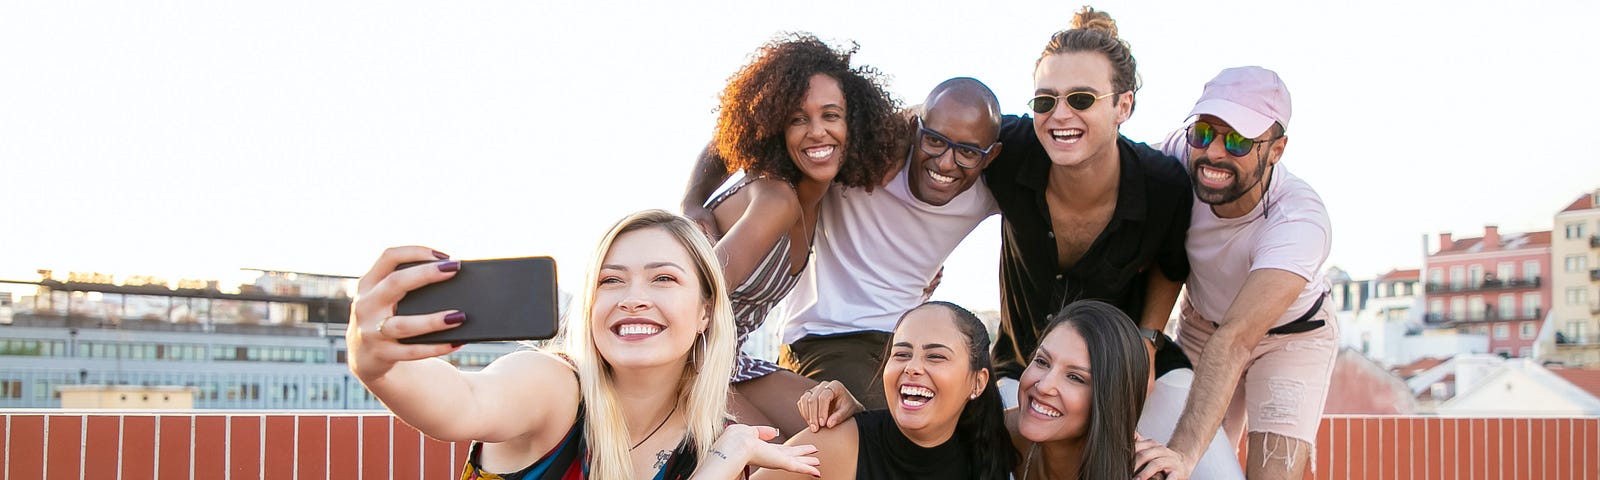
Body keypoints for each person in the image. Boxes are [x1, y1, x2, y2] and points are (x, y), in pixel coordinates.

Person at [346, 210, 821, 479]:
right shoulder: (554, 387)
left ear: (704, 312)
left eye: (663, 279)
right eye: (612, 281)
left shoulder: (714, 440)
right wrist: (380, 363)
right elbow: (464, 402)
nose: (634, 299)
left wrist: (727, 455)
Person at [682, 77, 1004, 410]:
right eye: (935, 141)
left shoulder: (978, 188)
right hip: (824, 337)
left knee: (968, 426)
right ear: (914, 129)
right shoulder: (797, 186)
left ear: (989, 156)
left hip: (904, 339)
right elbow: (739, 134)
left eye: (967, 152)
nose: (947, 162)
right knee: (871, 434)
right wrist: (692, 202)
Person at [698, 33, 903, 437]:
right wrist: (691, 207)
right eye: (797, 119)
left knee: (850, 431)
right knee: (784, 461)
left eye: (831, 115)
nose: (816, 132)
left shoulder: (816, 201)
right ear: (775, 128)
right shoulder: (776, 199)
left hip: (730, 363)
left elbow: (713, 148)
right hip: (686, 363)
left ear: (854, 124)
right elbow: (690, 301)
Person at [986, 7, 1193, 401]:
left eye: (1081, 99)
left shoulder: (1163, 186)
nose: (1059, 115)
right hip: (1022, 370)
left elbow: (1170, 267)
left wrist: (1147, 342)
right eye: (1045, 101)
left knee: (1198, 462)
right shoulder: (1011, 149)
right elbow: (937, 128)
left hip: (1119, 377)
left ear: (1123, 106)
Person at [1155, 66, 1337, 479]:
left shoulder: (1299, 219)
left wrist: (1183, 455)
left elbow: (1237, 339)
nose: (1214, 152)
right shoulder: (1180, 155)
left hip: (1290, 340)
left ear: (1276, 149)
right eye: (1204, 133)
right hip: (1203, 326)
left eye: (1238, 141)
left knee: (1267, 471)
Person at [799, 300, 1191, 480]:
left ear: (1109, 395)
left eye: (1076, 378)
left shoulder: (1142, 474)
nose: (1044, 386)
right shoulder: (1003, 434)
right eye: (1041, 362)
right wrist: (858, 413)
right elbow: (926, 417)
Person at [755, 301, 1015, 479]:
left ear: (978, 382)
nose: (912, 367)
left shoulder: (997, 448)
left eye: (935, 356)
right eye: (901, 354)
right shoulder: (844, 443)